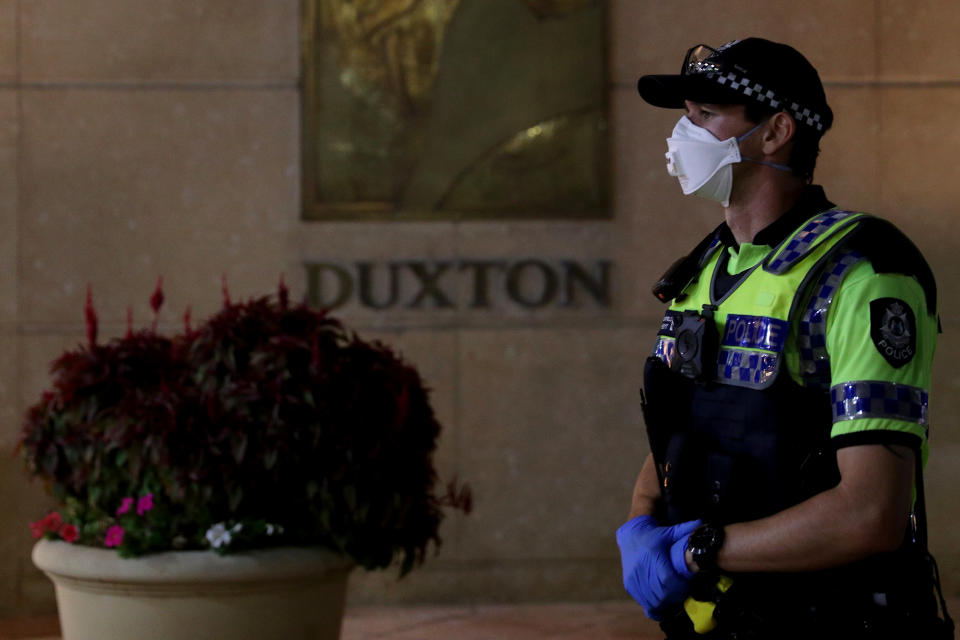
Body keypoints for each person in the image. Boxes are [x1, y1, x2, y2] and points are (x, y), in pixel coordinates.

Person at [616, 38, 953, 639]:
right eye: (683, 116)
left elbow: (872, 513)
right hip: (715, 620)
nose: (681, 135)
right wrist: (643, 524)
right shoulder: (703, 273)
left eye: (704, 117)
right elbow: (678, 428)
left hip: (838, 621)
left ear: (775, 133)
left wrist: (698, 552)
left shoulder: (865, 272)